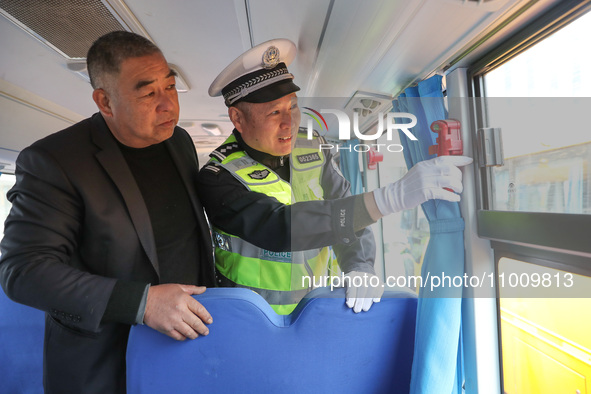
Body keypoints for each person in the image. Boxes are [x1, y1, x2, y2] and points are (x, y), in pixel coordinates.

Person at [0, 31, 215, 393]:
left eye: (171, 87)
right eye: (148, 93)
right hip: (105, 360)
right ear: (105, 101)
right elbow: (23, 269)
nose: (168, 105)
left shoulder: (179, 142)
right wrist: (141, 303)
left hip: (184, 346)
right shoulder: (55, 161)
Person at [198, 39, 472, 315]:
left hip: (319, 314)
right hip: (250, 324)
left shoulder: (315, 148)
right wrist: (388, 199)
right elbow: (279, 227)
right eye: (274, 112)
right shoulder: (218, 176)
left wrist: (359, 265)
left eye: (292, 107)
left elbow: (346, 209)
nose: (289, 122)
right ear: (238, 118)